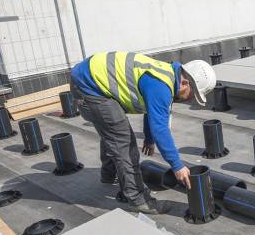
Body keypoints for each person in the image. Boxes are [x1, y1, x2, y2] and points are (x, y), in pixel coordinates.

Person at [70, 51, 216, 214]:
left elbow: (150, 110)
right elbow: (160, 129)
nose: (189, 100)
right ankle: (138, 199)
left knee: (112, 130)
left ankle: (109, 174)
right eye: (192, 95)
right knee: (123, 141)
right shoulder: (161, 87)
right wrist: (177, 165)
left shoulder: (167, 75)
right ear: (185, 82)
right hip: (89, 86)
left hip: (89, 78)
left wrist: (148, 139)